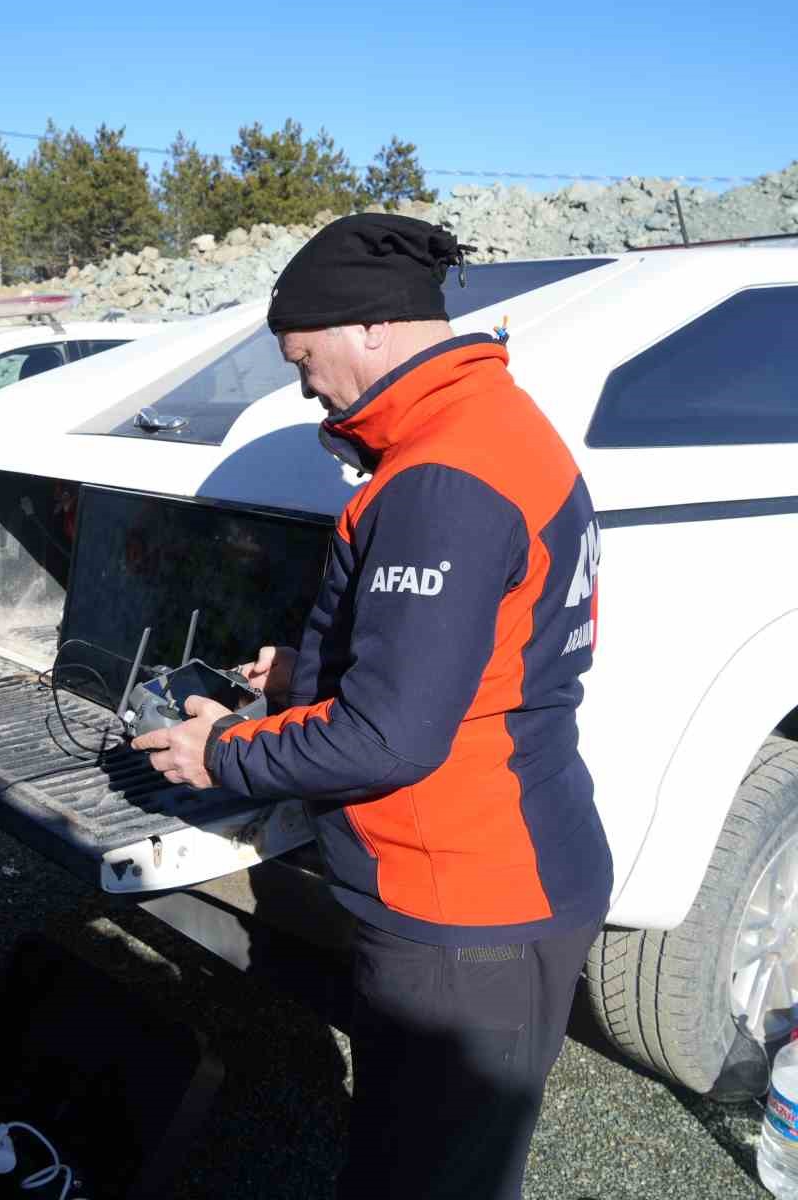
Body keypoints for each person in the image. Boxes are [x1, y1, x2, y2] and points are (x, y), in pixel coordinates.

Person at [132, 214, 612, 1200]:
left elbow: (389, 735)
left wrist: (224, 751)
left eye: (306, 360)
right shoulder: (486, 430)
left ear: (369, 330)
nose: (306, 386)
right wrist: (299, 680)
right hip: (493, 885)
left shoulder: (441, 479)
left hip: (467, 909)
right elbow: (471, 663)